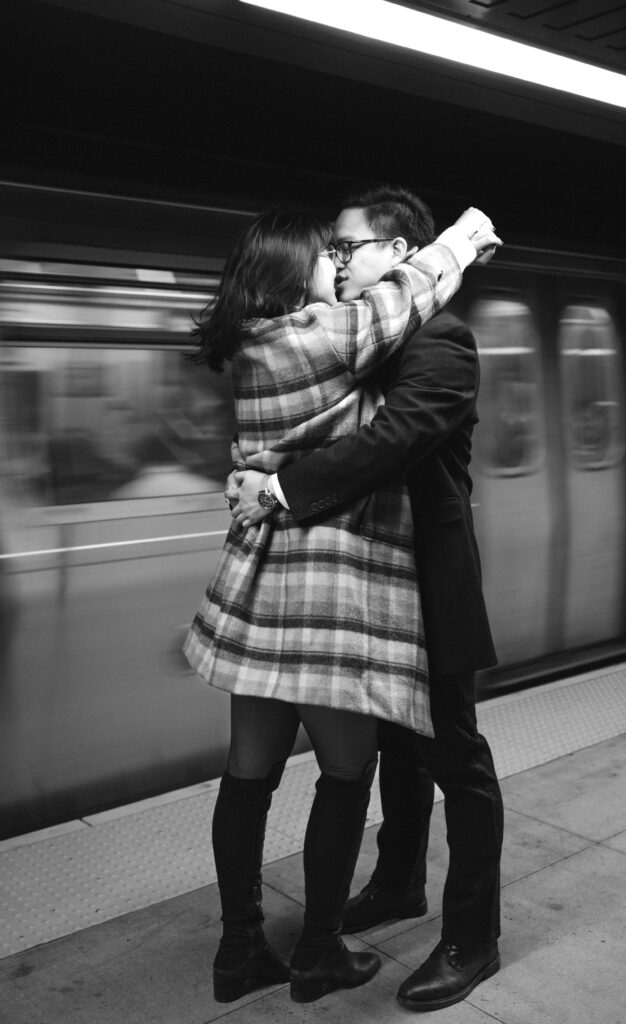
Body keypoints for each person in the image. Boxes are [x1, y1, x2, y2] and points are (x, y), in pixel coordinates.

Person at [183, 206, 501, 1005]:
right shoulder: (339, 332)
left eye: (349, 246)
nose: (340, 259)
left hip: (380, 584)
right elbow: (369, 350)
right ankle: (357, 917)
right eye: (328, 252)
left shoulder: (434, 343)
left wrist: (273, 484)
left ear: (395, 248)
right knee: (357, 764)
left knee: (446, 762)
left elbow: (392, 437)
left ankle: (469, 936)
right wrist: (463, 237)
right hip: (335, 588)